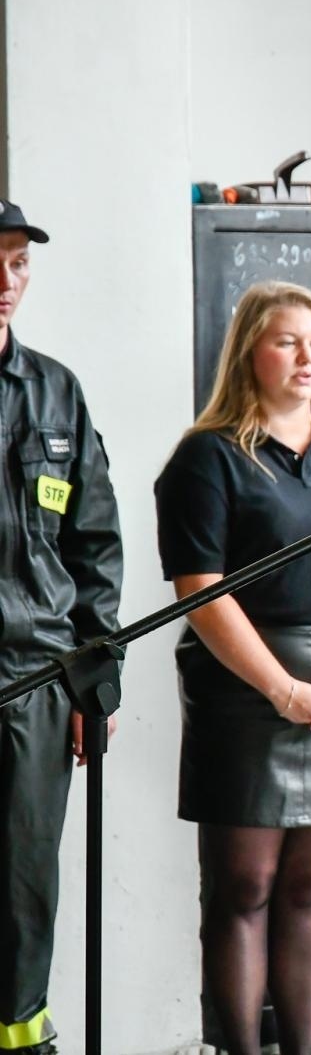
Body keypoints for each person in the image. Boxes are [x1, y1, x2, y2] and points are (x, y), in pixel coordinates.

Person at [154, 281, 311, 1055]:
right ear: (249, 353)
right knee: (245, 892)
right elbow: (199, 591)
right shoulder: (209, 457)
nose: (307, 357)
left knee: (308, 894)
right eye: (286, 342)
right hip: (246, 695)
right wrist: (281, 688)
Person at [0, 202, 122, 1055]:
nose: (8, 283)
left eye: (17, 263)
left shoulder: (53, 392)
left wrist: (96, 683)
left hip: (35, 686)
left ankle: (19, 1038)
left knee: (22, 885)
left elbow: (94, 547)